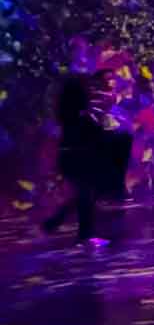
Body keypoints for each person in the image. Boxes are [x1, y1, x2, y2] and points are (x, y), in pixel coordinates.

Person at [41, 76, 107, 245]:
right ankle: (85, 236)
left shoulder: (66, 114)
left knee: (82, 195)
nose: (91, 92)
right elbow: (95, 133)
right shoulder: (80, 117)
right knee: (85, 196)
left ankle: (53, 223)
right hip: (79, 157)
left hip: (68, 157)